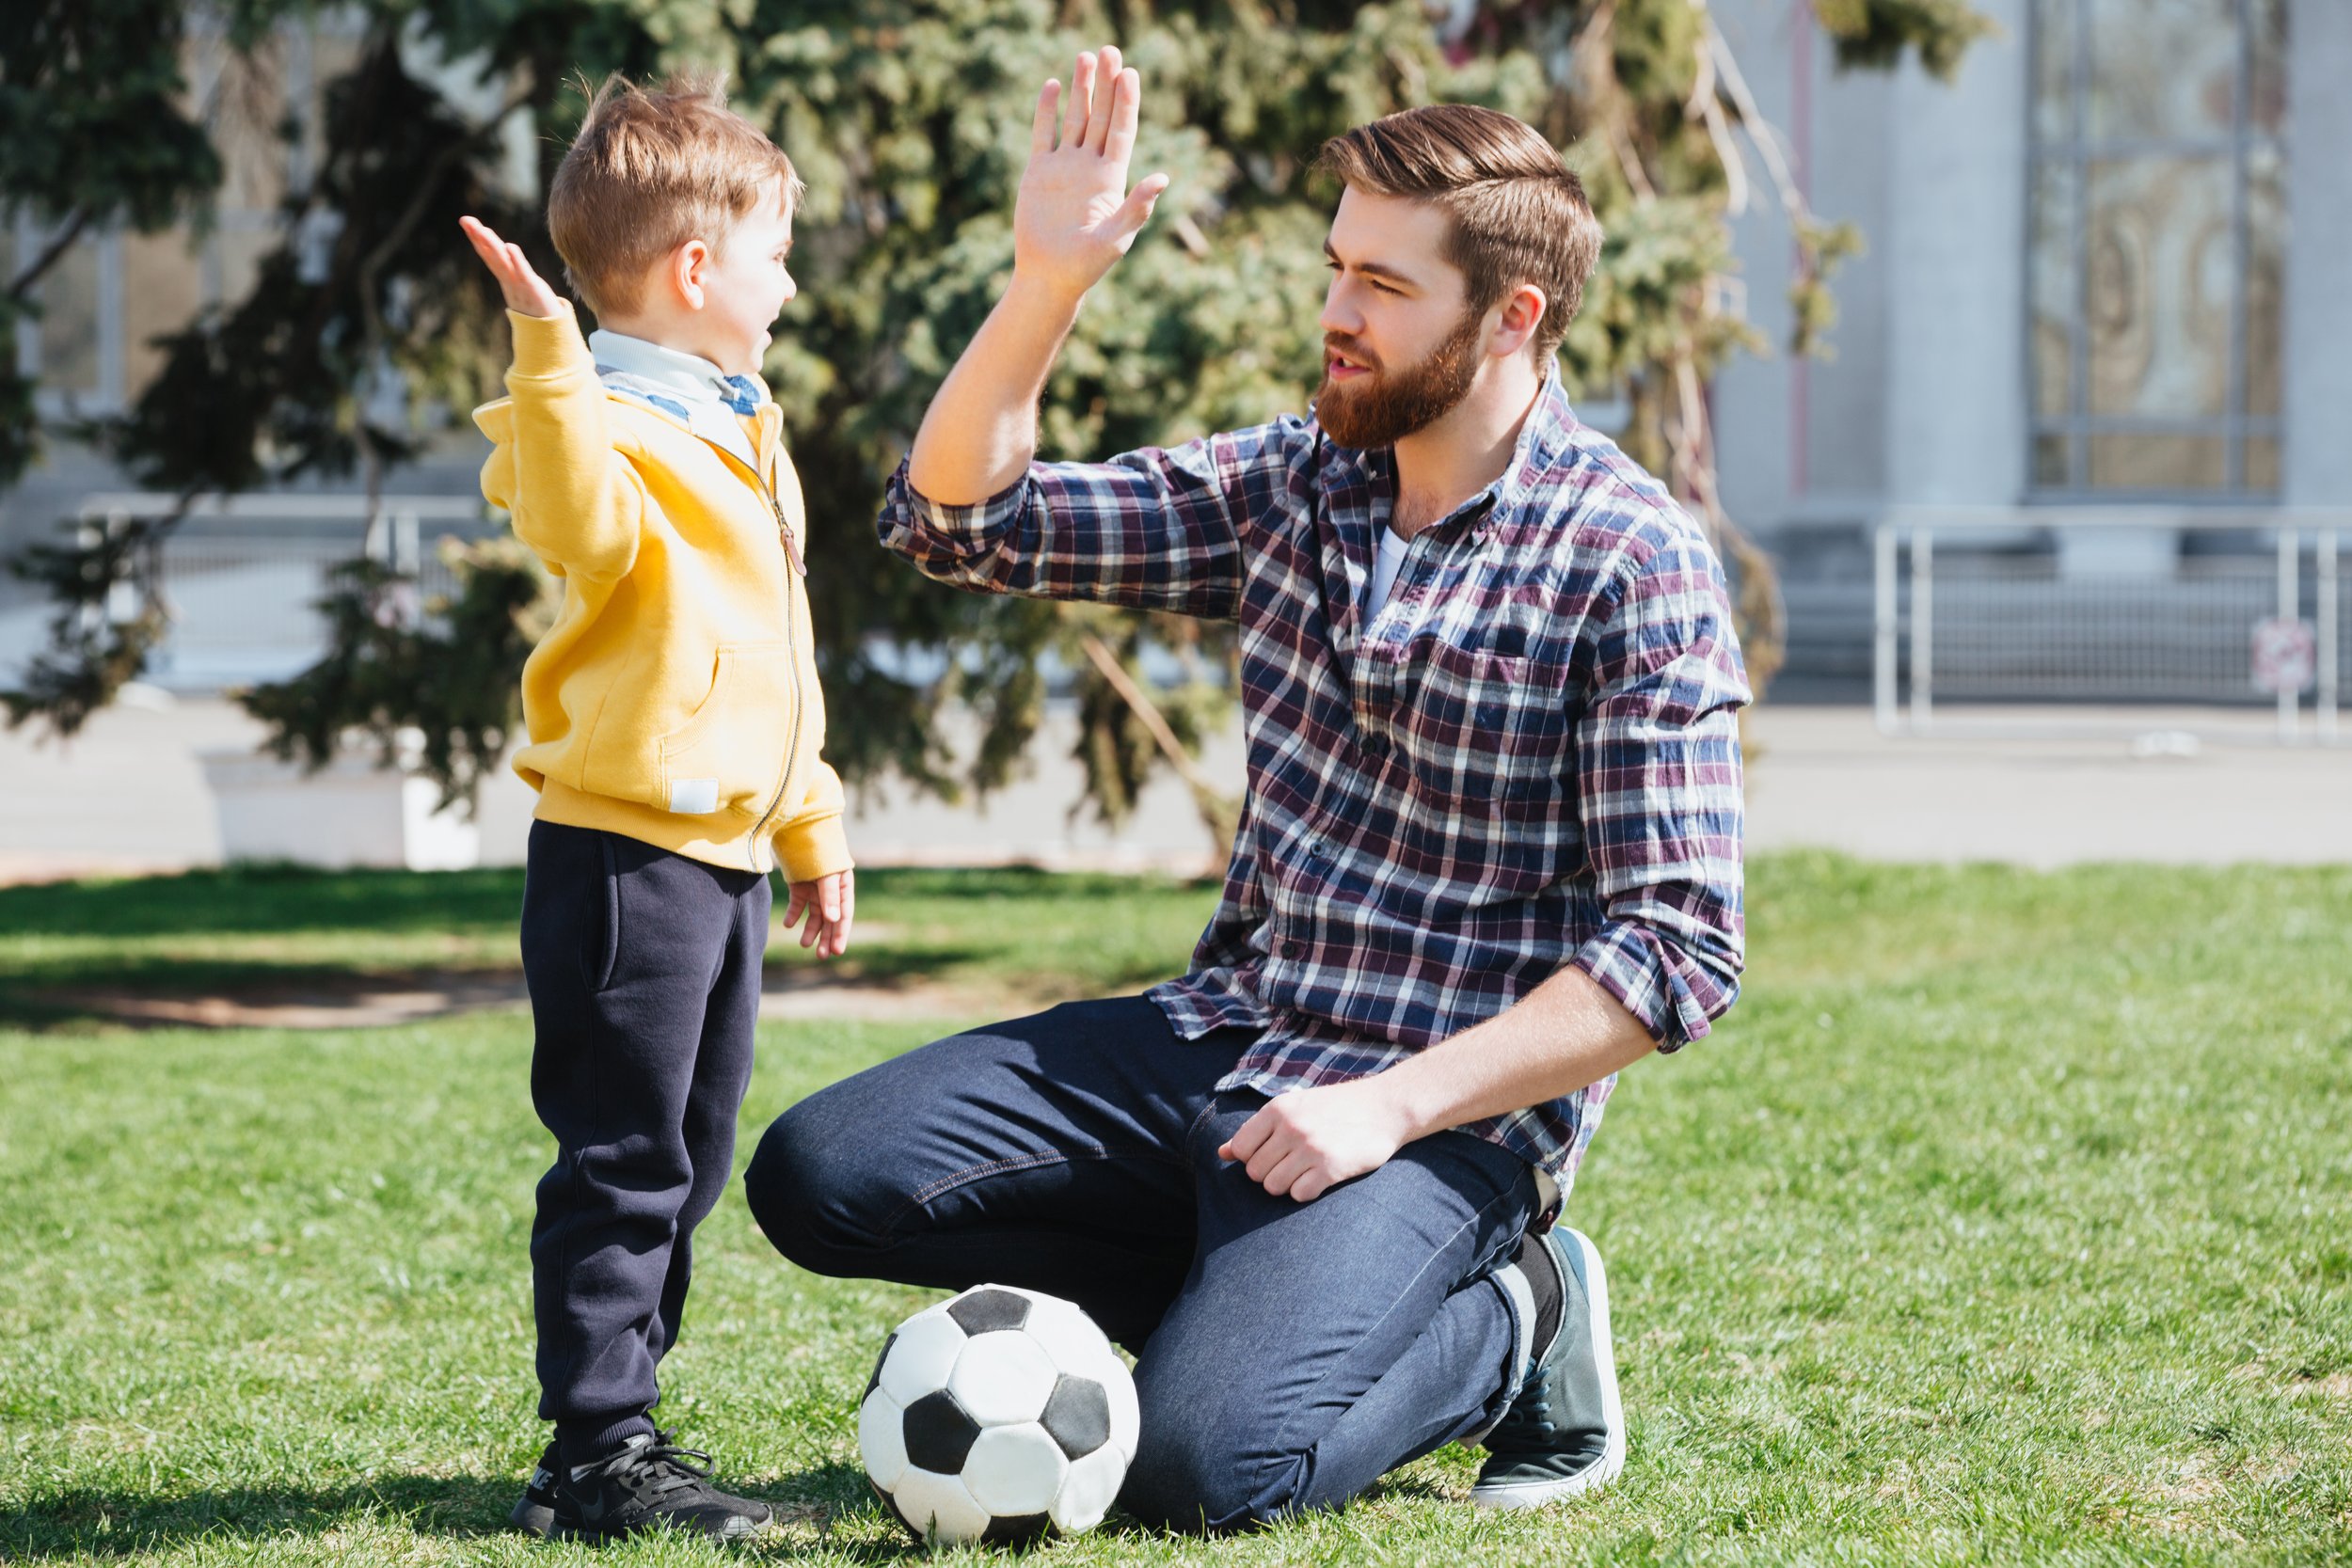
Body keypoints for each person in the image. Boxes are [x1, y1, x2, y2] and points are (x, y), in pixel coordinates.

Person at [747, 48, 1748, 1530]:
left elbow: (1676, 955)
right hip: (1223, 1041)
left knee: (1207, 1470)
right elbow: (963, 520)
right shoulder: (1296, 484)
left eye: (1386, 286)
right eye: (1338, 267)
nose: (1336, 312)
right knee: (821, 1174)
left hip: (1431, 1116)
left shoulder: (1629, 559)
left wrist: (1387, 1111)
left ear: (1514, 316)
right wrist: (1048, 279)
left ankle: (1514, 1322)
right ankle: (1249, 1303)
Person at [459, 74, 856, 1544]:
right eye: (776, 252)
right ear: (698, 272)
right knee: (625, 1159)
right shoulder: (603, 425)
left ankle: (625, 1419)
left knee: (682, 1156)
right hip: (629, 858)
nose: (792, 279)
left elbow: (773, 663)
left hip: (724, 853)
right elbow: (576, 522)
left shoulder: (742, 429)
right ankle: (598, 1451)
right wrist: (549, 359)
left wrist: (807, 820)